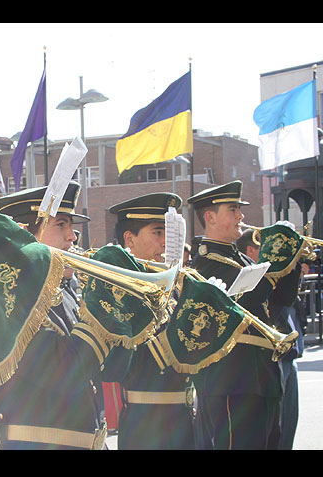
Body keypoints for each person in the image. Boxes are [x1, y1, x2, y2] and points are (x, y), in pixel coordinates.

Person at [0, 182, 117, 449]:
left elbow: (115, 369)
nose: (73, 237)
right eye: (60, 225)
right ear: (25, 234)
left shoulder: (66, 292)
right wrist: (103, 313)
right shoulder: (11, 300)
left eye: (71, 226)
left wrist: (126, 317)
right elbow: (65, 374)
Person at [187, 181, 301, 450]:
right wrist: (274, 261)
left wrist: (291, 261)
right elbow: (244, 301)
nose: (241, 216)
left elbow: (282, 300)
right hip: (232, 380)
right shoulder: (205, 262)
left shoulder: (243, 260)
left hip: (262, 375)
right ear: (210, 217)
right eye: (233, 209)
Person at [107, 193, 197, 450]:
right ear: (129, 239)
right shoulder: (122, 288)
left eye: (168, 232)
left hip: (185, 415)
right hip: (146, 423)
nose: (166, 242)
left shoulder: (174, 284)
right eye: (157, 232)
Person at [236, 228, 307, 450]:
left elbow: (288, 300)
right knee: (274, 426)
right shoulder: (253, 273)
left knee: (287, 425)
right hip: (270, 356)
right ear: (252, 250)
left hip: (289, 351)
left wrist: (293, 265)